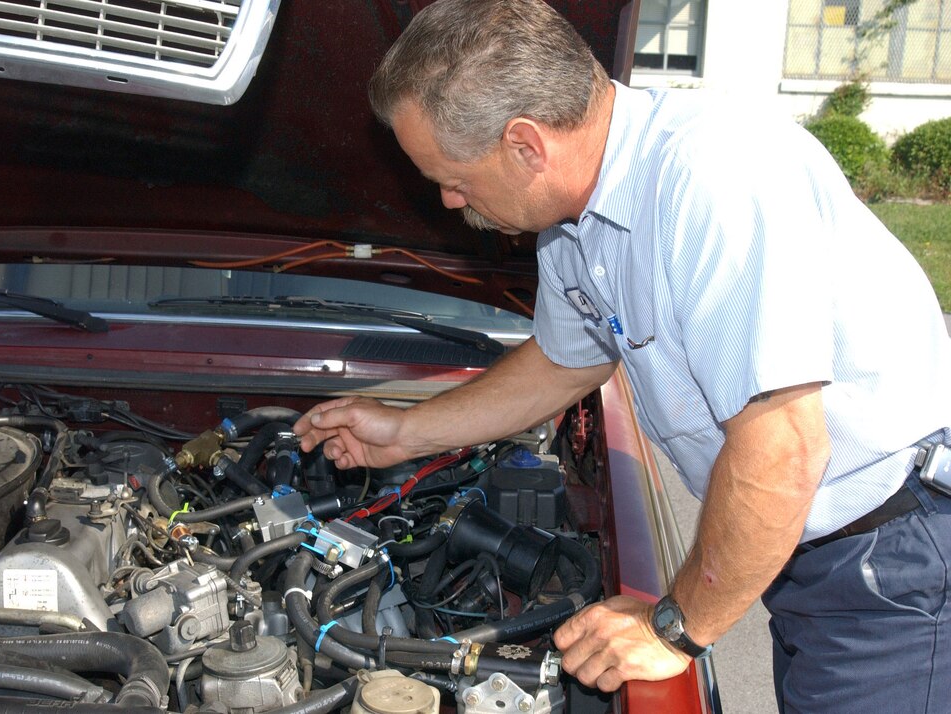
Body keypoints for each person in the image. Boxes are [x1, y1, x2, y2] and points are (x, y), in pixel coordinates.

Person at [293, 1, 951, 711]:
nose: (450, 201)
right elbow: (564, 361)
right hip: (820, 555)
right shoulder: (572, 226)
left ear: (525, 145)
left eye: (452, 176)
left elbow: (784, 446)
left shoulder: (715, 180)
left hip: (893, 556)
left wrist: (674, 628)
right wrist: (405, 431)